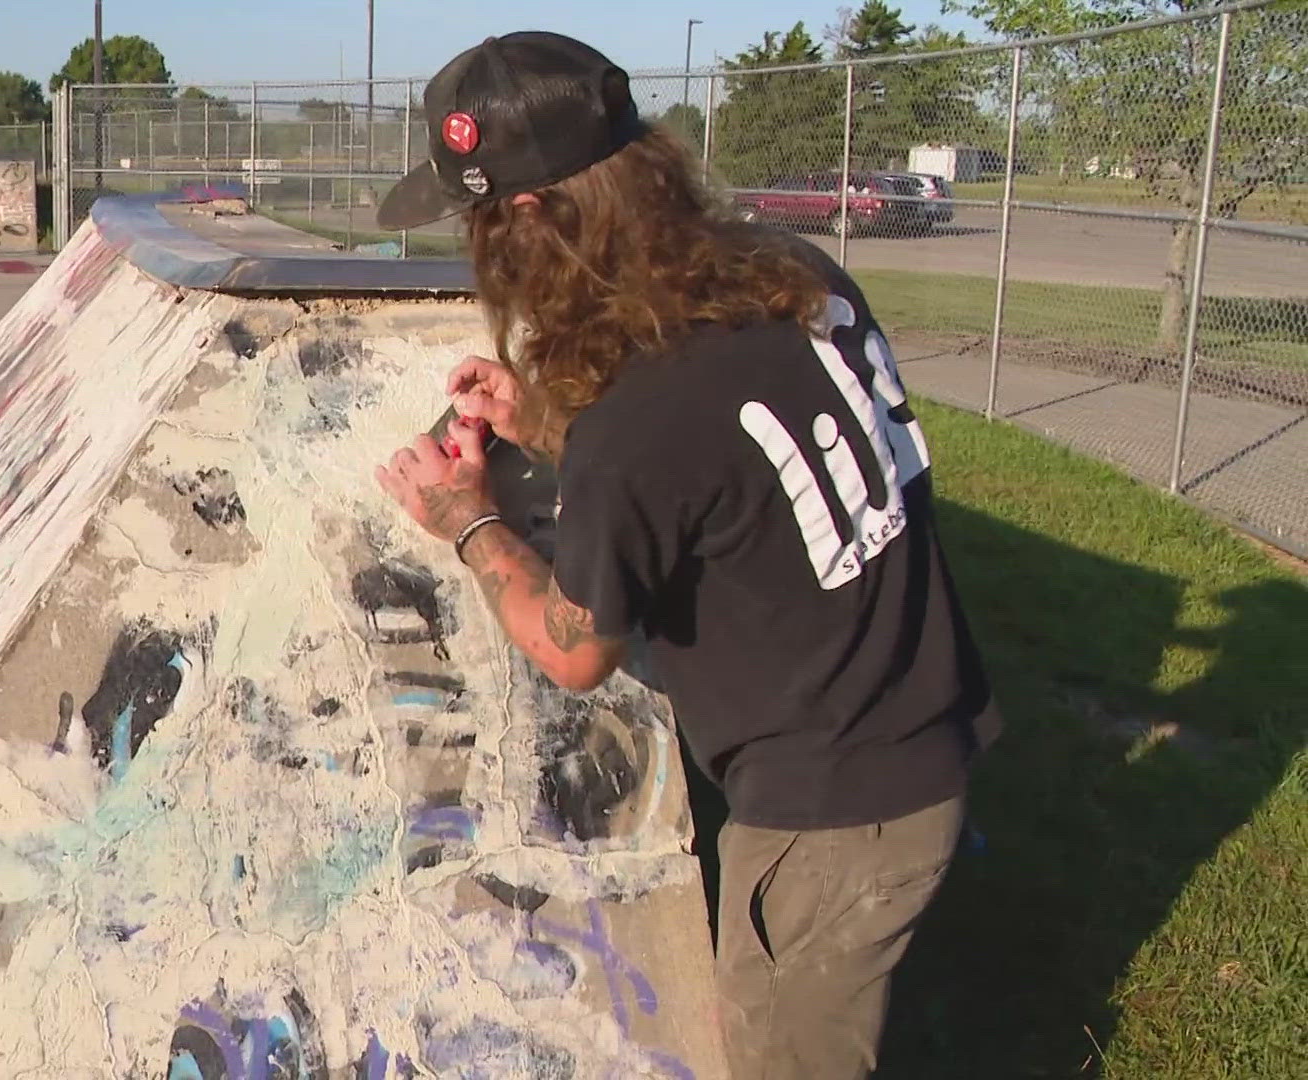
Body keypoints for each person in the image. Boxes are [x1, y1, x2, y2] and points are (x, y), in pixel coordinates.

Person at [371, 31, 1001, 1080]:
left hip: (832, 819)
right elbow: (733, 460)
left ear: (530, 217)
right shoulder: (790, 274)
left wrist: (469, 521)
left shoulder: (640, 421)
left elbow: (573, 649)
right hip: (922, 726)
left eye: (481, 221)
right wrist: (541, 419)